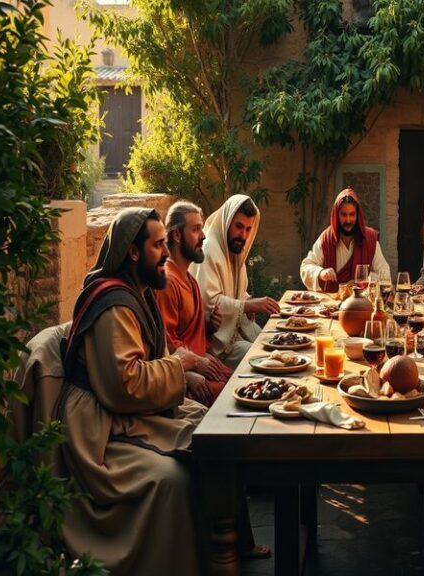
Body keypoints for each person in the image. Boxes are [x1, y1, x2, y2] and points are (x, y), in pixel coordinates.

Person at [59, 208, 207, 575]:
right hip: (100, 429)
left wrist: (178, 366)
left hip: (126, 415)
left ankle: (220, 550)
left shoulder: (138, 293)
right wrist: (180, 366)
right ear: (133, 252)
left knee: (211, 430)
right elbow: (124, 386)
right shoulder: (115, 304)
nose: (167, 254)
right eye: (158, 246)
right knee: (170, 480)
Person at [155, 200, 233, 407]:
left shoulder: (189, 279)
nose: (204, 236)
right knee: (234, 395)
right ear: (177, 235)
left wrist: (207, 326)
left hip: (200, 362)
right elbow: (165, 342)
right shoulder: (168, 283)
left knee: (242, 380)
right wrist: (189, 372)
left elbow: (187, 332)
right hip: (184, 375)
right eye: (196, 229)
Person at [192, 195, 279, 369]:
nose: (243, 235)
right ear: (227, 222)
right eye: (239, 227)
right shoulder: (209, 250)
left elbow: (235, 291)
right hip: (216, 342)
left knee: (273, 342)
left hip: (236, 329)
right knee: (261, 358)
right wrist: (247, 306)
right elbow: (209, 304)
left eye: (248, 229)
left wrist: (247, 301)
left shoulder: (235, 250)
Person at [300, 187, 390, 292]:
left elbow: (384, 272)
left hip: (361, 303)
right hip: (332, 303)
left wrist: (373, 281)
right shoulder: (326, 239)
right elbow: (306, 267)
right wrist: (321, 273)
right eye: (343, 214)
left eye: (352, 214)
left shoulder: (369, 239)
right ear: (336, 215)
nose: (348, 220)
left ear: (357, 216)